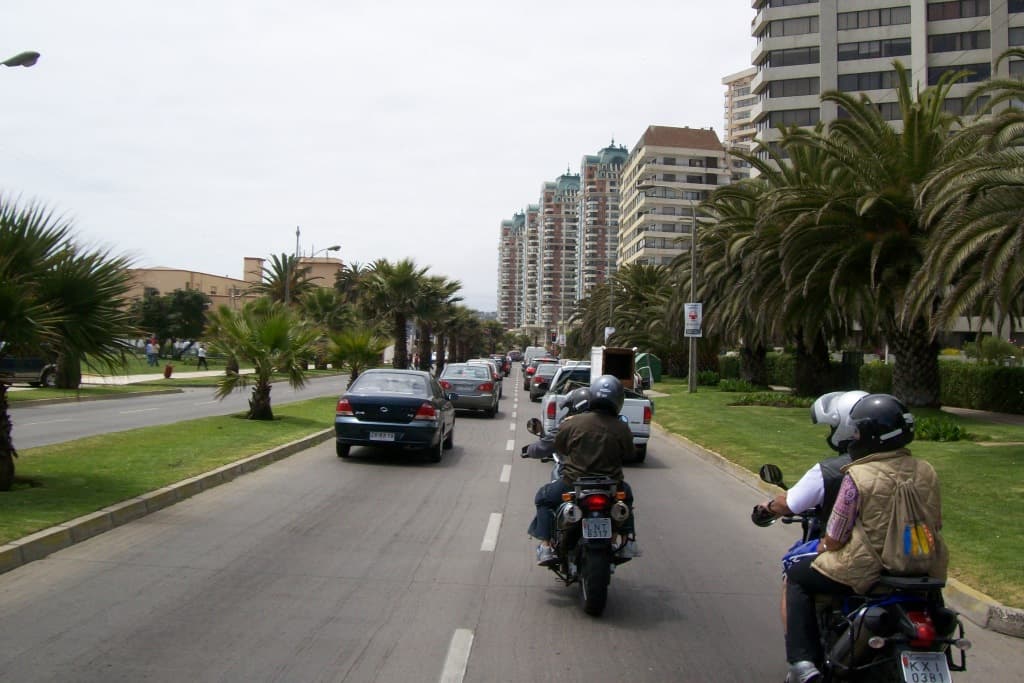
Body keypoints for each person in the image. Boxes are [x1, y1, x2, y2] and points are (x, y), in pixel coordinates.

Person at [781, 394, 947, 683]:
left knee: (796, 575)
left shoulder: (857, 475)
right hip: (925, 566)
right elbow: (937, 521)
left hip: (868, 568)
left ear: (871, 435)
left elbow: (835, 535)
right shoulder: (926, 470)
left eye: (858, 431)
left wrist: (822, 546)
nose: (855, 436)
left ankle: (803, 663)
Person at [529, 374, 638, 566]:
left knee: (543, 498)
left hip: (573, 483)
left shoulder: (572, 423)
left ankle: (546, 546)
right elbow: (630, 453)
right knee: (626, 498)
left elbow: (560, 448)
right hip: (611, 486)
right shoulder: (622, 427)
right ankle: (627, 540)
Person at [754, 390, 867, 528]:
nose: (830, 431)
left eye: (832, 426)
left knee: (797, 551)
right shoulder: (894, 464)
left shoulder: (827, 471)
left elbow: (788, 504)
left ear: (846, 426)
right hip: (890, 545)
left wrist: (769, 507)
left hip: (840, 544)